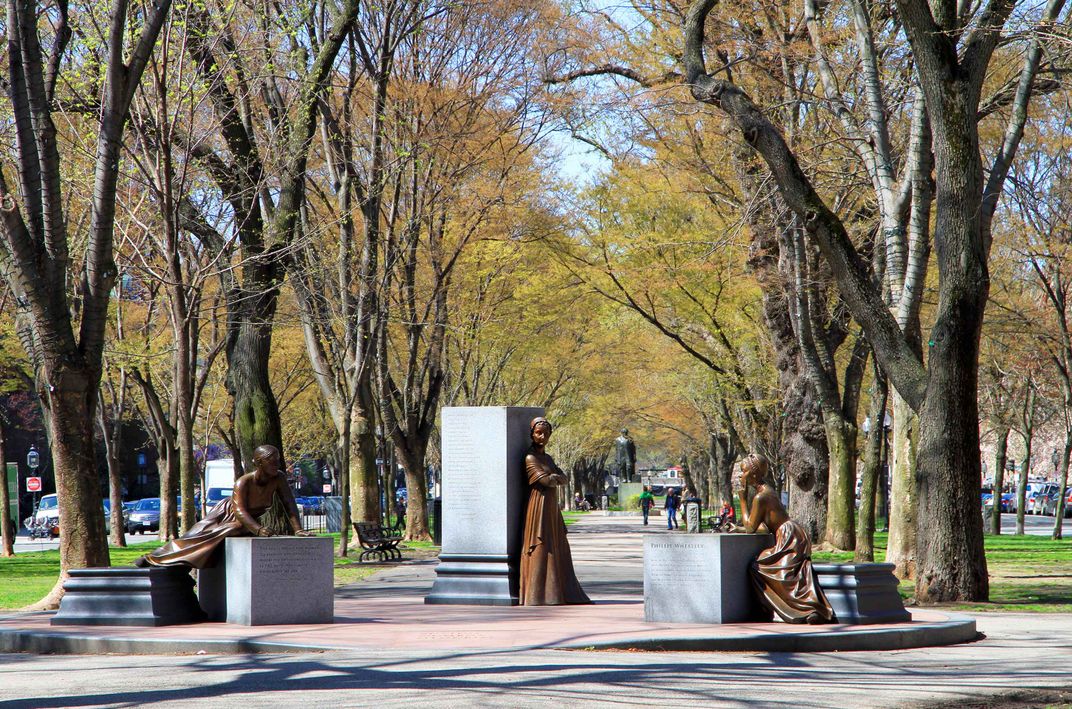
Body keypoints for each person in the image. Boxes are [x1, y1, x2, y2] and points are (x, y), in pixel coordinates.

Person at [135, 444, 312, 569]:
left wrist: (298, 530)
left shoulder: (279, 478)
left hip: (244, 522)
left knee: (229, 531)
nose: (277, 465)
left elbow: (289, 503)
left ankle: (180, 561)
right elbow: (240, 510)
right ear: (259, 463)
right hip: (225, 514)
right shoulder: (243, 482)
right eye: (271, 462)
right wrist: (258, 529)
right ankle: (154, 557)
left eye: (278, 461)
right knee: (193, 537)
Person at [731, 453, 833, 625]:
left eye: (744, 471)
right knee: (772, 569)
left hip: (789, 537)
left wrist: (741, 500)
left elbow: (750, 528)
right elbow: (764, 525)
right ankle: (787, 609)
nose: (741, 475)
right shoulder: (765, 491)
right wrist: (738, 528)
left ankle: (806, 609)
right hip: (789, 533)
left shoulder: (760, 497)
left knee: (763, 568)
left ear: (755, 474)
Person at [519, 417, 591, 605]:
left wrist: (555, 477)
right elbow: (546, 481)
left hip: (551, 505)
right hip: (538, 505)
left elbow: (564, 478)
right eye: (538, 433)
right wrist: (554, 477)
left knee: (557, 544)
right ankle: (538, 595)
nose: (542, 436)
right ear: (532, 434)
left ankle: (557, 591)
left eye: (546, 433)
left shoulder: (548, 458)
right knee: (542, 545)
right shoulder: (530, 457)